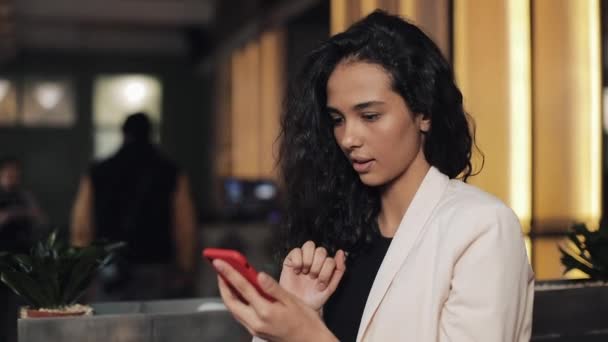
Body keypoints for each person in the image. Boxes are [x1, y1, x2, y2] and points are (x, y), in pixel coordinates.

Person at [212, 10, 534, 342]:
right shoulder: (339, 236)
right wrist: (299, 309)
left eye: (370, 115)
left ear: (422, 113)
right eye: (337, 119)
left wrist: (306, 334)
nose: (349, 138)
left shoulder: (482, 227)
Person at [70, 112, 197, 300]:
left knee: (110, 325)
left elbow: (82, 224)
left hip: (110, 267)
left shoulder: (98, 171)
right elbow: (184, 226)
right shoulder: (171, 172)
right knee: (155, 325)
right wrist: (185, 267)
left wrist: (82, 268)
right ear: (151, 133)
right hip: (156, 264)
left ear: (123, 133)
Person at [0, 156, 46, 253]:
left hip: (23, 249)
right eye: (9, 173)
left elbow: (41, 219)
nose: (13, 176)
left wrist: (15, 213)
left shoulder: (24, 195)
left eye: (16, 173)